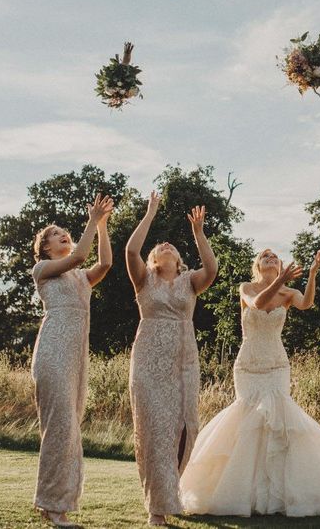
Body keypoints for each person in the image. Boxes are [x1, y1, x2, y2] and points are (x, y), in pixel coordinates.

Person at [180, 247, 320, 517]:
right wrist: (281, 280)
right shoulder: (247, 287)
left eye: (274, 256)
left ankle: (279, 494)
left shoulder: (288, 294)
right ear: (258, 265)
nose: (270, 257)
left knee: (279, 420)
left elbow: (307, 303)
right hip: (249, 364)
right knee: (247, 420)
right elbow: (258, 304)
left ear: (279, 265)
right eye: (265, 256)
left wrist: (312, 274)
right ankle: (245, 493)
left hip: (277, 365)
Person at [126, 192, 218, 526]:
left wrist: (198, 233)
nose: (166, 246)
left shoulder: (190, 281)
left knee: (183, 427)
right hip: (148, 358)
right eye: (161, 247)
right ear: (153, 260)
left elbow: (212, 268)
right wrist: (150, 213)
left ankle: (171, 489)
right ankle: (157, 507)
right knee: (153, 429)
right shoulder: (143, 279)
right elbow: (131, 250)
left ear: (179, 261)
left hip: (184, 360)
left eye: (173, 248)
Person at [31, 194, 114, 527]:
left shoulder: (80, 278)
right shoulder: (44, 270)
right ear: (45, 248)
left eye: (65, 230)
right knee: (61, 427)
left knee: (68, 429)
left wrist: (103, 226)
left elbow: (104, 264)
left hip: (76, 356)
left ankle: (50, 500)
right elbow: (81, 254)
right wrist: (92, 220)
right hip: (53, 351)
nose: (63, 234)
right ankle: (54, 507)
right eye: (56, 233)